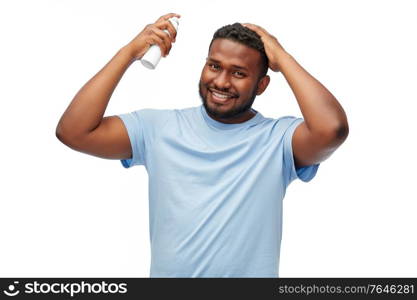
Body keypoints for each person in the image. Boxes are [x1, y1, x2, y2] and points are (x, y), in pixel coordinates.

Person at [56, 12, 349, 277]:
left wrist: (283, 59)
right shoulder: (158, 128)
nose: (221, 82)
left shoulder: (278, 139)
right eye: (214, 66)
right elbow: (74, 131)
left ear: (261, 85)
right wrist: (128, 53)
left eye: (239, 73)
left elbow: (332, 129)